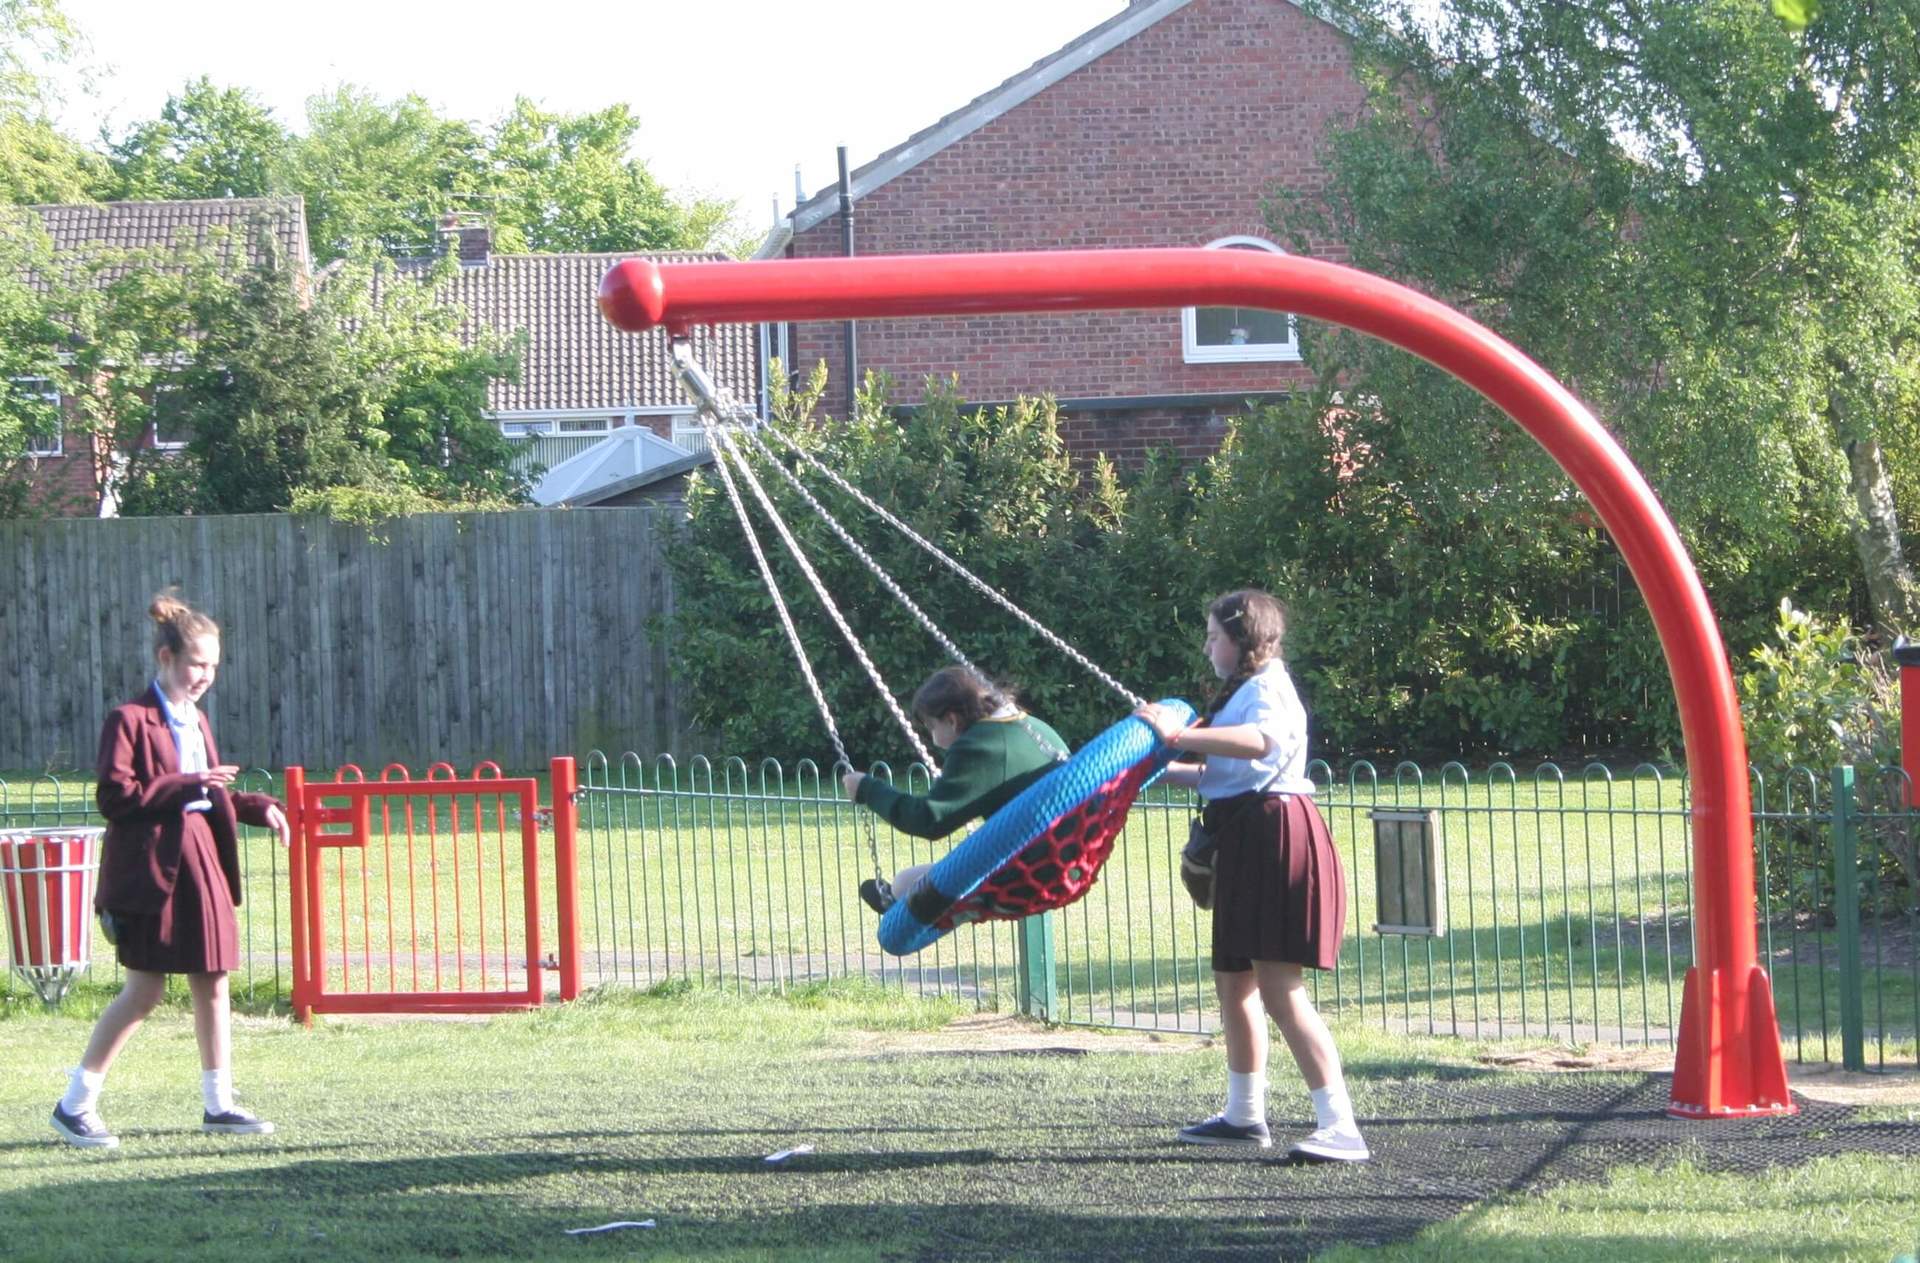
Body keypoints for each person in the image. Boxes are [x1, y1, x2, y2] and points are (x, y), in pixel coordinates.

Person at [1133, 589, 1367, 1163]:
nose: (1208, 644)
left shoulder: (1268, 689)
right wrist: (1161, 771)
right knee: (1235, 983)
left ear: (1241, 640)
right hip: (1246, 837)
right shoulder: (1244, 690)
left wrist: (1177, 735)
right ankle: (1244, 1114)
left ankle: (1341, 1128)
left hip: (1275, 836)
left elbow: (1260, 744)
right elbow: (1225, 771)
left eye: (1215, 635)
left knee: (1282, 990)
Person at [51, 592, 291, 1150]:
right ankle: (75, 1104)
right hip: (150, 872)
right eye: (195, 664)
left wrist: (257, 806)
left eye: (212, 666)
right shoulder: (128, 719)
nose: (204, 675)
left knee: (213, 982)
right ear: (165, 657)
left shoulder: (197, 719)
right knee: (144, 992)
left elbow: (211, 794)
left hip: (201, 862)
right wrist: (191, 782)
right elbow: (116, 796)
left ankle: (219, 1104)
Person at [841, 666, 1067, 914]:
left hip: (1028, 877)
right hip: (1064, 860)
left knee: (907, 884)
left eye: (931, 727)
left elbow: (929, 819)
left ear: (951, 720)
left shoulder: (981, 746)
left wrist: (868, 789)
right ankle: (898, 900)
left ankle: (902, 911)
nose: (934, 739)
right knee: (907, 880)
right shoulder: (1036, 728)